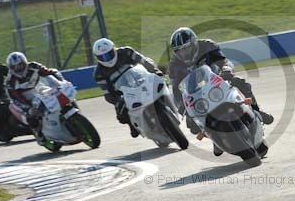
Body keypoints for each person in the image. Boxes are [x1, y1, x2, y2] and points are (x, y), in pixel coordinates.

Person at [168, 27, 274, 155]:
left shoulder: (207, 46)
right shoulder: (174, 64)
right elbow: (175, 88)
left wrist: (226, 69)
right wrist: (182, 108)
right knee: (193, 126)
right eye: (179, 51)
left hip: (219, 81)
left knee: (241, 83)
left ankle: (256, 111)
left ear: (194, 43)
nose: (183, 53)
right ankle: (215, 138)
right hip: (197, 94)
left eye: (186, 48)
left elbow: (223, 60)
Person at [92, 38, 164, 138]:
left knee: (159, 81)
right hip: (122, 92)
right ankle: (132, 125)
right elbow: (107, 93)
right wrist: (117, 101)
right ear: (97, 58)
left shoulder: (126, 52)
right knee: (121, 115)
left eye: (109, 54)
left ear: (114, 49)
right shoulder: (98, 73)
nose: (107, 59)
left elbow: (143, 61)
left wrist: (155, 70)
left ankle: (165, 102)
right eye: (102, 57)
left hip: (140, 78)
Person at [5, 52, 63, 144]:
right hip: (24, 98)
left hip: (38, 88)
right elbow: (15, 97)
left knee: (58, 93)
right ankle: (38, 133)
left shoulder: (34, 66)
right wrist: (28, 107)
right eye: (15, 67)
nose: (18, 69)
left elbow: (46, 72)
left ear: (25, 63)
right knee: (31, 115)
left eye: (20, 65)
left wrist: (57, 76)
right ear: (11, 68)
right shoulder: (10, 81)